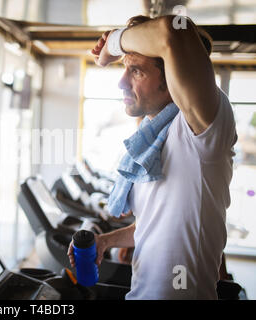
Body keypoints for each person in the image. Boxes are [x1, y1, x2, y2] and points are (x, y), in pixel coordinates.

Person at [68, 14, 237, 299]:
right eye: (125, 69)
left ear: (173, 77)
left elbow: (173, 32)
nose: (121, 82)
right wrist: (105, 241)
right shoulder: (154, 140)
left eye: (136, 71)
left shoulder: (201, 128)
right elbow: (153, 224)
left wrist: (113, 41)